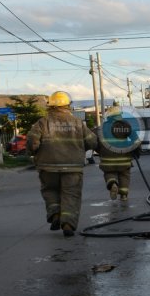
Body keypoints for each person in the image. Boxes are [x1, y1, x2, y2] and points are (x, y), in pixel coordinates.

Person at [26, 91, 97, 237]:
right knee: (71, 194)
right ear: (67, 105)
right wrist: (80, 149)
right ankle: (68, 224)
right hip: (73, 167)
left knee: (50, 191)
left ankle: (55, 215)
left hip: (47, 166)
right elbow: (92, 142)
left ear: (50, 105)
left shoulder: (42, 122)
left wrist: (32, 152)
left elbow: (32, 142)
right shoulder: (78, 123)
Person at [96, 106, 141, 202]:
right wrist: (136, 152)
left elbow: (95, 143)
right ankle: (124, 195)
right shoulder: (125, 125)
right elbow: (136, 141)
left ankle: (113, 183)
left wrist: (100, 152)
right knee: (124, 175)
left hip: (107, 160)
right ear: (120, 115)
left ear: (109, 116)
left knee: (109, 173)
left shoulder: (102, 127)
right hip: (124, 158)